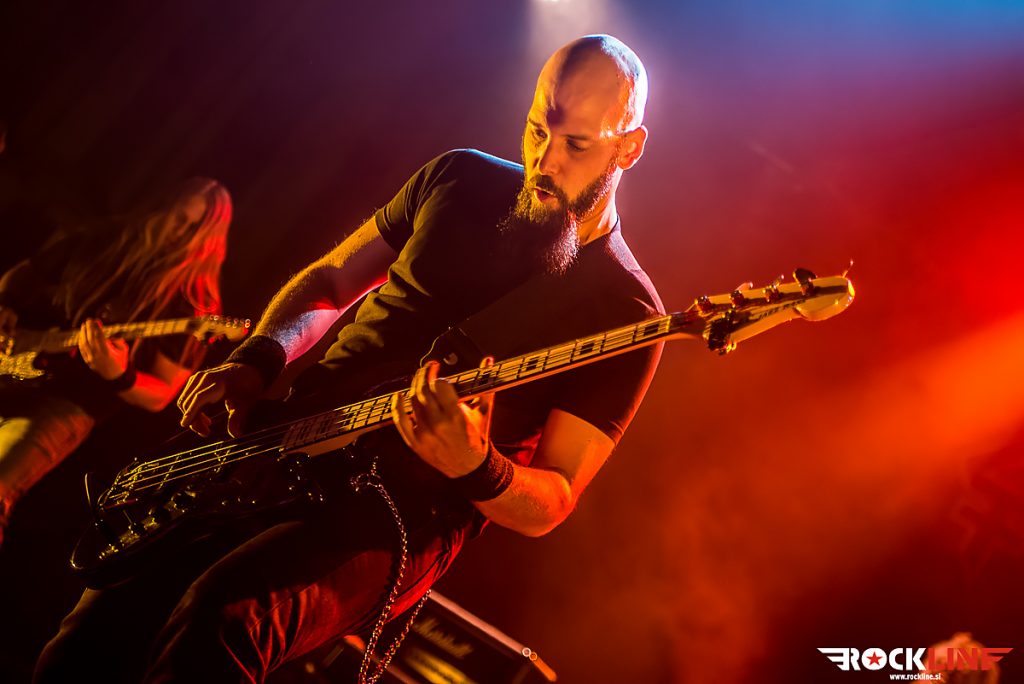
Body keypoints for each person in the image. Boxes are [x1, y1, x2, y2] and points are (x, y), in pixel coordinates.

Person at [35, 34, 662, 683]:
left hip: (397, 511)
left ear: (628, 147)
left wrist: (478, 466)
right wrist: (258, 360)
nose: (544, 161)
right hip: (282, 441)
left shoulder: (625, 309)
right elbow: (333, 279)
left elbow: (555, 495)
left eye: (576, 145)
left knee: (220, 619)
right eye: (536, 130)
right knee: (88, 640)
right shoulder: (459, 176)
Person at [0, 177, 232, 546]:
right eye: (178, 218)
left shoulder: (192, 300)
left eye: (193, 228)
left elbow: (162, 393)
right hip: (15, 360)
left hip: (68, 405)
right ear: (161, 206)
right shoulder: (102, 238)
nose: (180, 232)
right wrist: (7, 305)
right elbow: (23, 275)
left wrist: (119, 374)